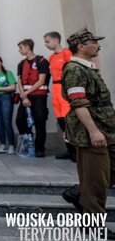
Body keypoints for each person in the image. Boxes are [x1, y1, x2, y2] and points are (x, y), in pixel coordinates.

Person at [61, 28, 115, 240]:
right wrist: (93, 131)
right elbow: (79, 103)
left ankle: (78, 193)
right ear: (81, 46)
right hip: (92, 132)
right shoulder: (74, 69)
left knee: (106, 173)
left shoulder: (89, 68)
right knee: (95, 179)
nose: (97, 45)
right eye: (93, 41)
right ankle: (92, 224)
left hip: (106, 128)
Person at [16, 38, 51, 157]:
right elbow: (19, 81)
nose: (19, 50)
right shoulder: (21, 64)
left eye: (21, 47)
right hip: (26, 96)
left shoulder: (42, 61)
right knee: (20, 121)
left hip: (39, 97)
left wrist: (27, 93)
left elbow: (41, 81)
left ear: (27, 47)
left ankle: (40, 148)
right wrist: (23, 96)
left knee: (40, 121)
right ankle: (29, 144)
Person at [44, 31, 75, 161]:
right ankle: (69, 149)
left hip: (65, 88)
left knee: (70, 121)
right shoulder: (51, 58)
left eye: (47, 41)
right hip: (55, 89)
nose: (46, 44)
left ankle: (76, 151)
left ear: (56, 40)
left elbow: (73, 71)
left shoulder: (67, 53)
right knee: (62, 122)